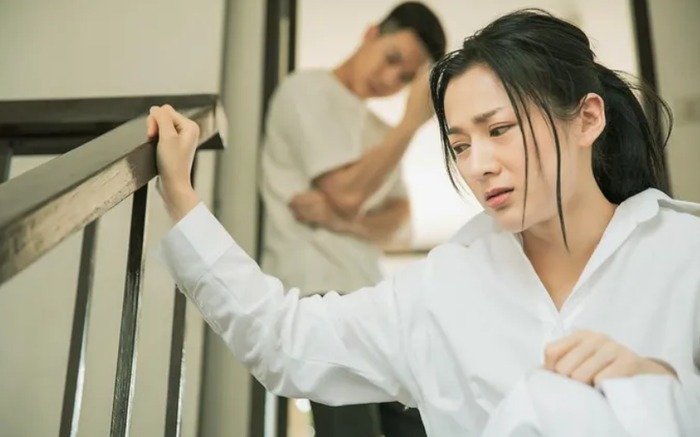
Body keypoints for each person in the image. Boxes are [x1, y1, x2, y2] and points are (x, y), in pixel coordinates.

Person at [149, 9, 700, 437]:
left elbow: (392, 216)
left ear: (587, 119)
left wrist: (661, 387)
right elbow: (284, 340)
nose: (478, 165)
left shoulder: (685, 251)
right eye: (460, 145)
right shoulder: (440, 290)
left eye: (499, 130)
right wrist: (180, 195)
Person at [258, 2, 445, 436]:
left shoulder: (380, 133)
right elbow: (346, 194)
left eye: (405, 78)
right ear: (371, 34)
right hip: (319, 299)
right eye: (392, 58)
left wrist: (344, 223)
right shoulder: (306, 90)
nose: (390, 79)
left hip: (373, 305)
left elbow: (399, 223)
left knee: (423, 426)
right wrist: (410, 124)